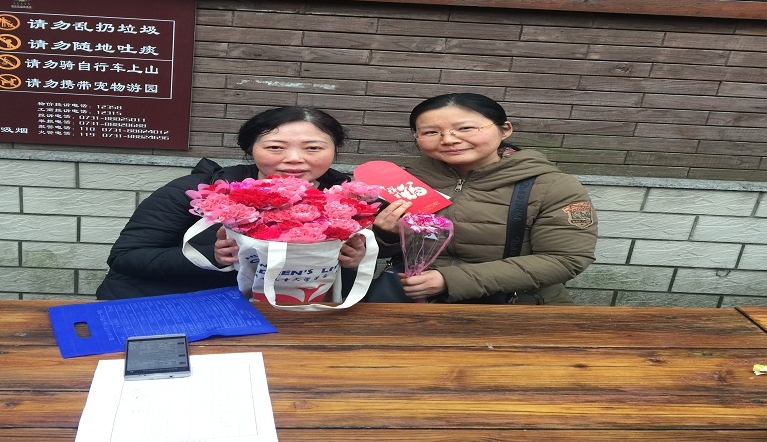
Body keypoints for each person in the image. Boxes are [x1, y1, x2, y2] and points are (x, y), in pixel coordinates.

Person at [96, 107, 367, 300]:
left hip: (288, 313)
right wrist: (212, 257)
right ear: (251, 150)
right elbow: (125, 257)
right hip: (174, 304)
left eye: (313, 148)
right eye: (275, 147)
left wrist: (352, 261)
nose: (294, 158)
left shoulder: (351, 202)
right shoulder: (195, 191)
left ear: (334, 150)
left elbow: (337, 277)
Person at [372, 93, 597, 305]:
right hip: (410, 302)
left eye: (465, 128)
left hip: (512, 306)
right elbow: (369, 252)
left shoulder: (551, 185)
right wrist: (386, 236)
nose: (448, 139)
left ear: (505, 129)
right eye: (431, 132)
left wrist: (450, 281)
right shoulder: (403, 182)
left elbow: (565, 259)